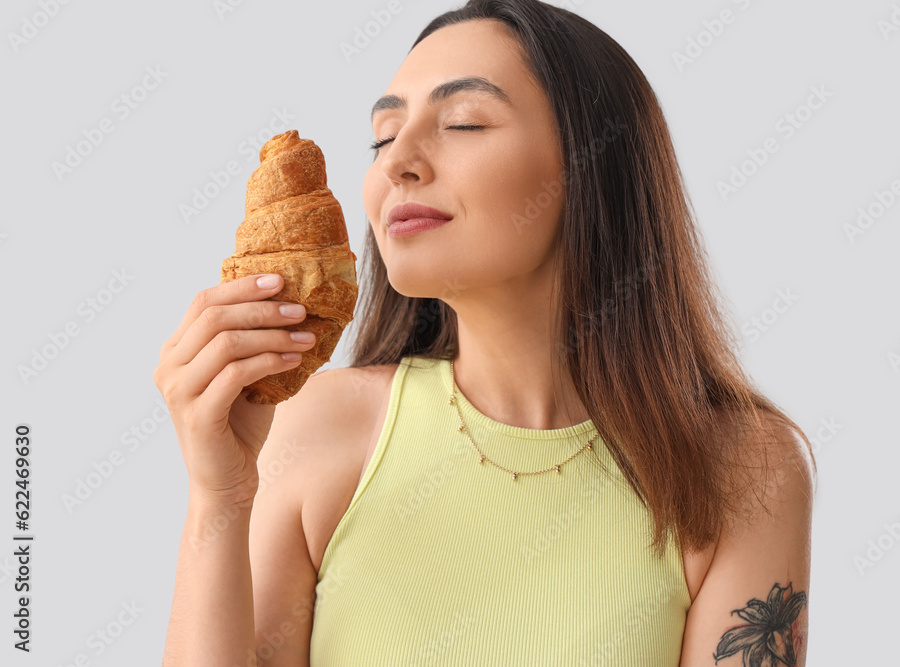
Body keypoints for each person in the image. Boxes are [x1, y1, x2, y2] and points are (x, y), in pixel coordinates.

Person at [156, 0, 817, 664]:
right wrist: (221, 495)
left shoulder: (743, 469)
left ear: (592, 161)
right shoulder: (320, 429)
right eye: (384, 137)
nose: (397, 164)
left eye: (463, 122)